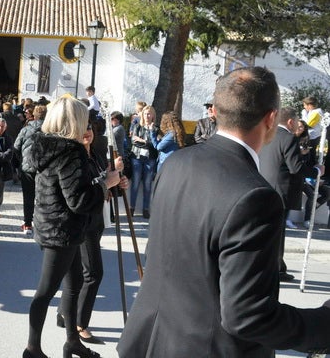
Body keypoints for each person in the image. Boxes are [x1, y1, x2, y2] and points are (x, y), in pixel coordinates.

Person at [117, 66, 330, 357]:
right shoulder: (257, 198)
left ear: (215, 111)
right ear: (270, 119)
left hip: (150, 342)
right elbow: (248, 315)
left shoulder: (176, 163)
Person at [24, 97, 122, 358]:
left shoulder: (49, 146)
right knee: (46, 291)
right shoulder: (69, 151)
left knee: (74, 283)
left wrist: (105, 181)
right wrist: (105, 185)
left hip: (57, 226)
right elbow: (78, 200)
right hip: (61, 230)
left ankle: (72, 342)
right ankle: (32, 348)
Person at [258, 107, 319, 282]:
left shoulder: (267, 135)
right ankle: (277, 269)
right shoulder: (289, 138)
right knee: (278, 234)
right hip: (281, 191)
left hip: (265, 186)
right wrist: (316, 170)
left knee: (270, 231)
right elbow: (296, 167)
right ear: (291, 122)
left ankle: (275, 266)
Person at [14, 104, 47, 235]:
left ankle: (27, 224)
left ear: (34, 115)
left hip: (27, 168)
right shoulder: (50, 130)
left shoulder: (26, 130)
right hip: (45, 169)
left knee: (28, 197)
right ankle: (42, 223)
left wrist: (21, 161)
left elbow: (16, 147)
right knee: (43, 197)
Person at [128, 105, 158, 218]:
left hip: (150, 158)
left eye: (149, 113)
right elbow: (133, 141)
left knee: (147, 184)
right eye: (145, 113)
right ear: (142, 115)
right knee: (135, 183)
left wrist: (142, 140)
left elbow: (154, 145)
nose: (147, 116)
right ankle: (131, 208)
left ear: (153, 115)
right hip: (136, 157)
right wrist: (147, 142)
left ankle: (146, 209)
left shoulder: (155, 128)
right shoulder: (137, 126)